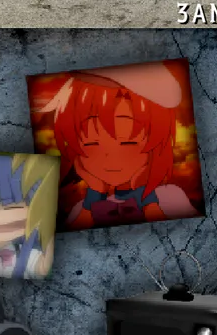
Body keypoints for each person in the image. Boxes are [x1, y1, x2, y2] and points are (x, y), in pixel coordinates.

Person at [37, 61, 198, 230]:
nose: (109, 156)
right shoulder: (81, 209)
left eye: (129, 142)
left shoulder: (172, 198)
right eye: (91, 144)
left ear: (156, 146)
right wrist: (95, 195)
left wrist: (146, 198)